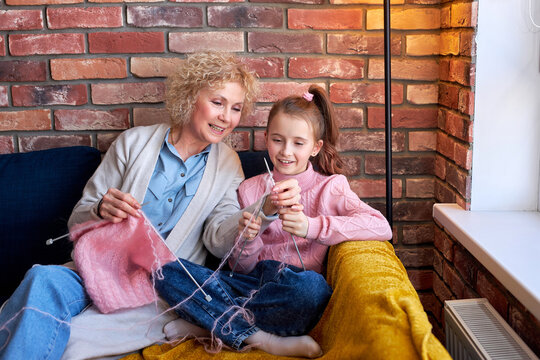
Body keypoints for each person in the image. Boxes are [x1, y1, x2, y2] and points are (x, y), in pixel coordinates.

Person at [0, 52, 301, 360]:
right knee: (42, 279)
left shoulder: (228, 164)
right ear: (189, 97)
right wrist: (100, 209)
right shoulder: (133, 143)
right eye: (218, 103)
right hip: (95, 267)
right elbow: (78, 220)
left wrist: (260, 212)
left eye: (236, 108)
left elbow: (218, 237)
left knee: (69, 342)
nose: (227, 117)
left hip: (156, 291)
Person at [153, 85, 393, 358]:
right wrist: (249, 237)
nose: (286, 152)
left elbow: (380, 226)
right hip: (248, 284)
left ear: (316, 147)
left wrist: (311, 227)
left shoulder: (330, 188)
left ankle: (209, 319)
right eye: (278, 140)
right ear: (266, 138)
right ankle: (258, 337)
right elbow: (241, 266)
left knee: (313, 291)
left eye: (298, 143)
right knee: (163, 269)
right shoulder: (249, 189)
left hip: (291, 290)